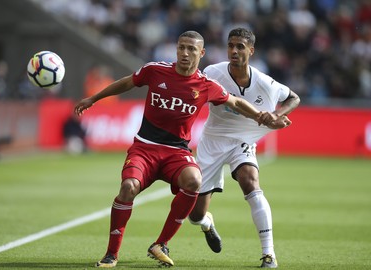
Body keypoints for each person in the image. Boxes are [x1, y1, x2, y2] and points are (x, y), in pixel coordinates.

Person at [74, 30, 291, 268]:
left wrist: (265, 117)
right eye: (181, 48)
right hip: (145, 148)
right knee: (128, 187)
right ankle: (111, 255)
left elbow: (236, 102)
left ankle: (161, 244)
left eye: (191, 49)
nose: (185, 53)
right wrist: (93, 98)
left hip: (177, 152)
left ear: (201, 53)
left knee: (194, 181)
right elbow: (127, 82)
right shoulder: (155, 70)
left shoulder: (206, 84)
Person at [188, 27, 300, 269]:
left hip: (243, 142)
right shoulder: (212, 73)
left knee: (250, 181)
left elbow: (294, 97)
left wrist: (277, 115)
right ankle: (207, 223)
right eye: (231, 46)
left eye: (240, 46)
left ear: (251, 50)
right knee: (194, 216)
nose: (234, 51)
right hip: (212, 142)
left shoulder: (265, 83)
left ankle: (268, 254)